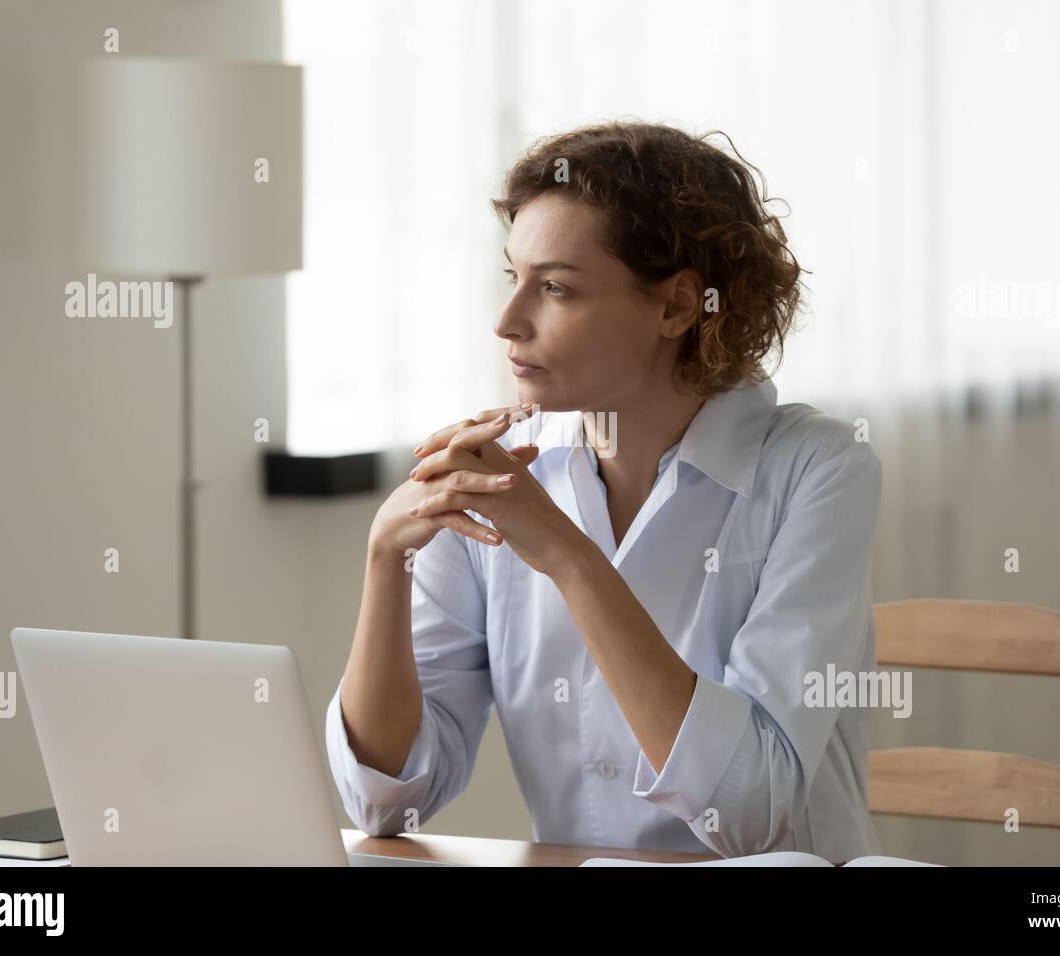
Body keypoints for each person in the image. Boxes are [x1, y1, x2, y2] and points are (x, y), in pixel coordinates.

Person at [326, 120, 883, 861]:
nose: (507, 321)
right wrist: (384, 561)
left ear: (677, 307)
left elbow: (751, 814)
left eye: (554, 287)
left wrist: (566, 553)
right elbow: (386, 801)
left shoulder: (818, 469)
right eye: (511, 278)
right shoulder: (499, 473)